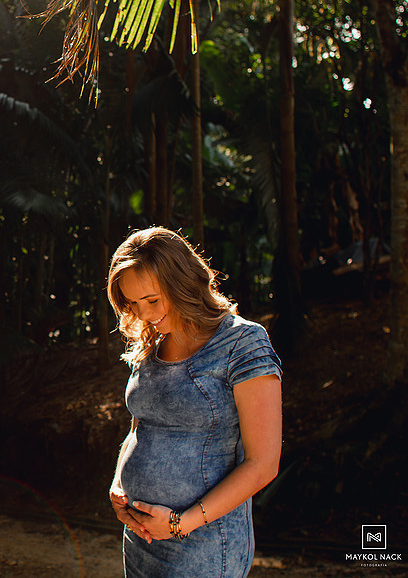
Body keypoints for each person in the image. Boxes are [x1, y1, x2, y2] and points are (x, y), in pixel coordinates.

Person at [106, 227, 282, 577]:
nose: (144, 315)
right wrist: (119, 484)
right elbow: (141, 426)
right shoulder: (151, 344)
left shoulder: (242, 343)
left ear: (183, 283)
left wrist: (178, 523)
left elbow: (263, 464)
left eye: (152, 300)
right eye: (133, 304)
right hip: (141, 538)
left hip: (203, 545)